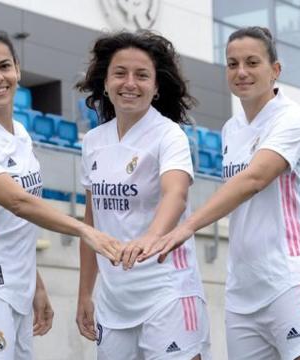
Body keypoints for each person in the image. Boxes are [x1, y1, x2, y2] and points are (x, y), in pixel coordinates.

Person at [140, 27, 300, 360]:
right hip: (243, 293)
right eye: (232, 64)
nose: (242, 72)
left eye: (252, 62)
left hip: (293, 279)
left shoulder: (293, 118)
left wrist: (187, 227)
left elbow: (255, 178)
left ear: (274, 70)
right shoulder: (230, 130)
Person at [0, 29, 122, 360]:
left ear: (18, 69)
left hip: (19, 293)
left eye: (4, 66)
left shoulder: (21, 134)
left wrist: (35, 284)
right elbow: (18, 202)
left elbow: (14, 226)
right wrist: (84, 229)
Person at [74, 31, 211, 360]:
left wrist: (150, 238)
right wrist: (84, 294)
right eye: (120, 73)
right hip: (114, 301)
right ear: (105, 83)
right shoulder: (93, 141)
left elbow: (175, 194)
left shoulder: (169, 135)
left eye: (142, 75)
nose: (130, 83)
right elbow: (92, 223)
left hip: (169, 293)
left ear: (156, 86)